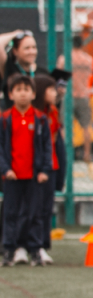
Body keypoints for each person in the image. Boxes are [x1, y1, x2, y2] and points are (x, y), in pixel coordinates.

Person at [1, 75, 52, 266]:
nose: (22, 93)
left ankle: (35, 249)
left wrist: (45, 169)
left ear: (33, 94)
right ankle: (9, 249)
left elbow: (47, 146)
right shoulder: (5, 119)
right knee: (10, 213)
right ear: (11, 94)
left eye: (26, 89)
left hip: (34, 176)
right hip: (12, 176)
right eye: (18, 89)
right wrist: (5, 169)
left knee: (35, 214)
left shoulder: (40, 119)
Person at [32, 74, 65, 266]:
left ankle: (42, 246)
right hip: (33, 169)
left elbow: (54, 140)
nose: (55, 92)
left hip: (50, 166)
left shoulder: (52, 111)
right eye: (51, 89)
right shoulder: (32, 115)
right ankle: (23, 245)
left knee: (46, 208)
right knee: (30, 208)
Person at [55, 35, 93, 162]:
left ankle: (64, 154)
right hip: (83, 95)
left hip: (68, 95)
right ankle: (87, 154)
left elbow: (59, 79)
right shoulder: (88, 59)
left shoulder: (64, 58)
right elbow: (90, 76)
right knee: (86, 127)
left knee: (65, 127)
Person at [2, 30, 49, 110]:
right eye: (27, 48)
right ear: (15, 51)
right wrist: (15, 34)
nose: (31, 51)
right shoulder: (9, 68)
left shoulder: (43, 73)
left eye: (34, 47)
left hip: (36, 121)